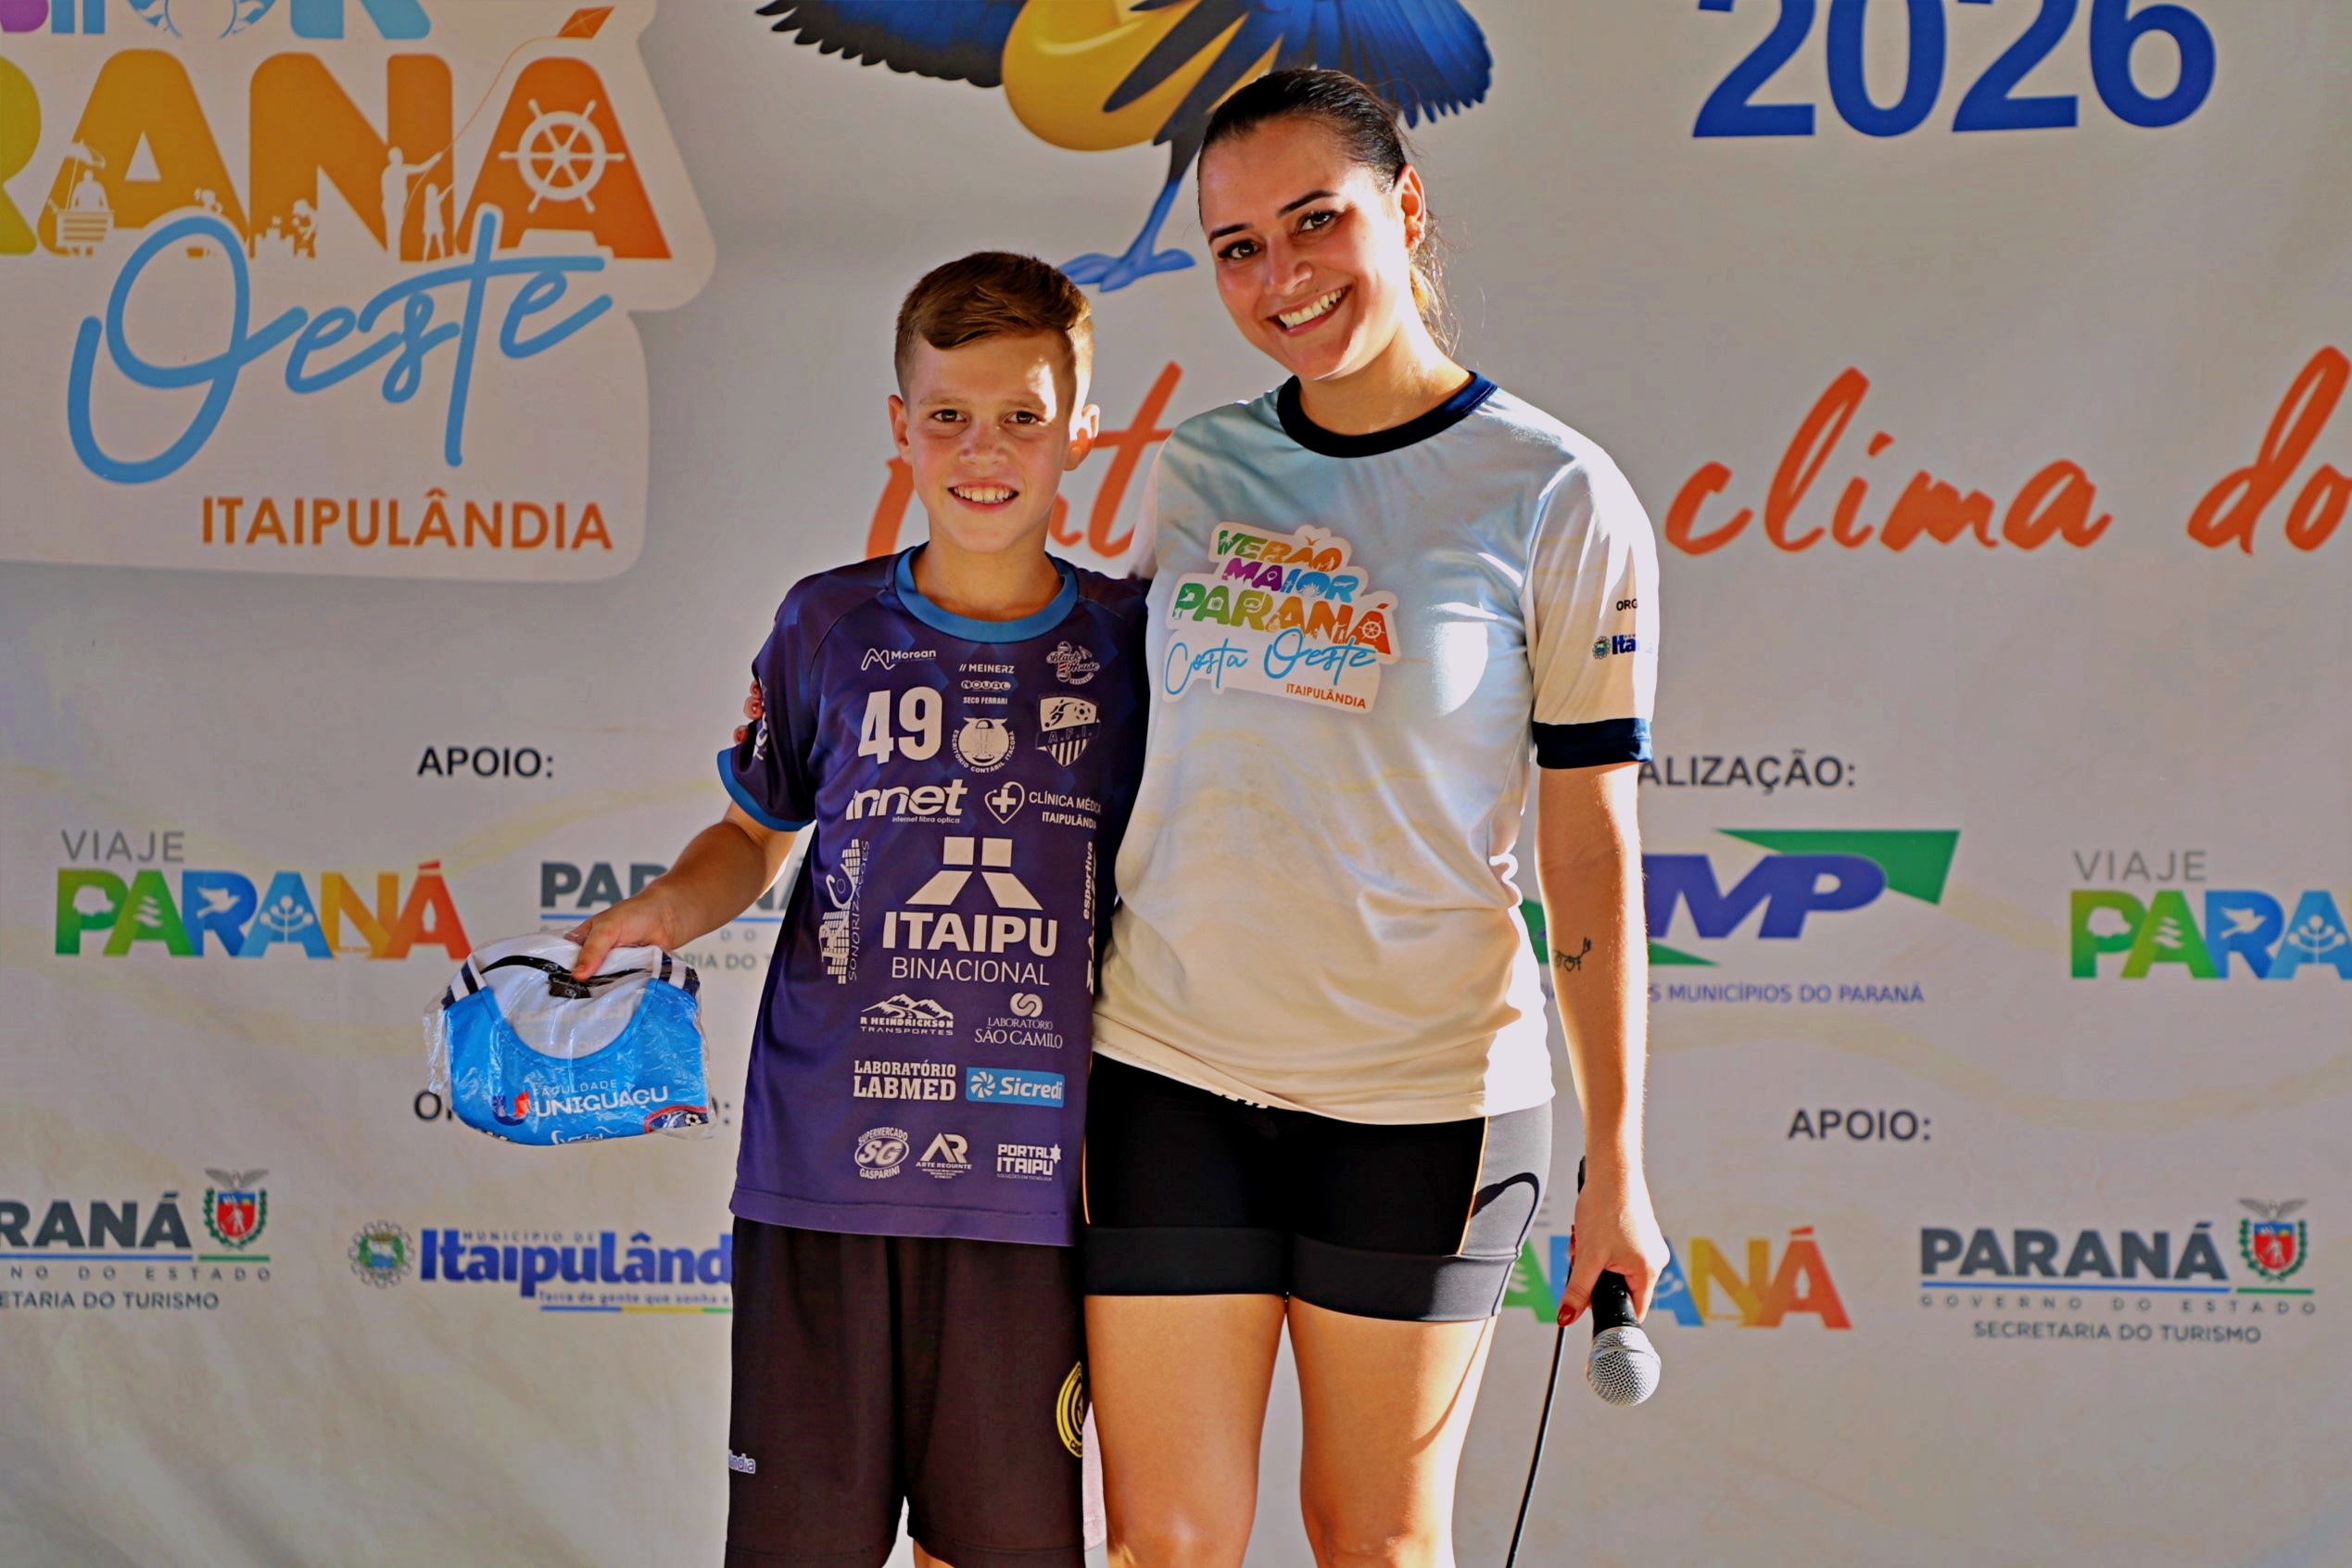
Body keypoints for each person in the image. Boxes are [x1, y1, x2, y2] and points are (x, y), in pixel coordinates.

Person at [1081, 70, 1671, 1567]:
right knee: (1164, 1545)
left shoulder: (1554, 492)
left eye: (1313, 221)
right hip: (1170, 1071)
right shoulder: (1198, 467)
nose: (1280, 276)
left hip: (1423, 1100)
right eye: (1235, 247)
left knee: (1374, 1543)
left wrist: (1618, 1160)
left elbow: (1588, 843)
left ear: (1403, 210)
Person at [569, 252, 1147, 1568]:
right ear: (900, 426)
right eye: (948, 415)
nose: (982, 451)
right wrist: (665, 910)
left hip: (1033, 1186)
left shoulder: (1132, 642)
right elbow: (751, 834)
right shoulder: (825, 623)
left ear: (1082, 427)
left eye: (1021, 416)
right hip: (823, 1169)